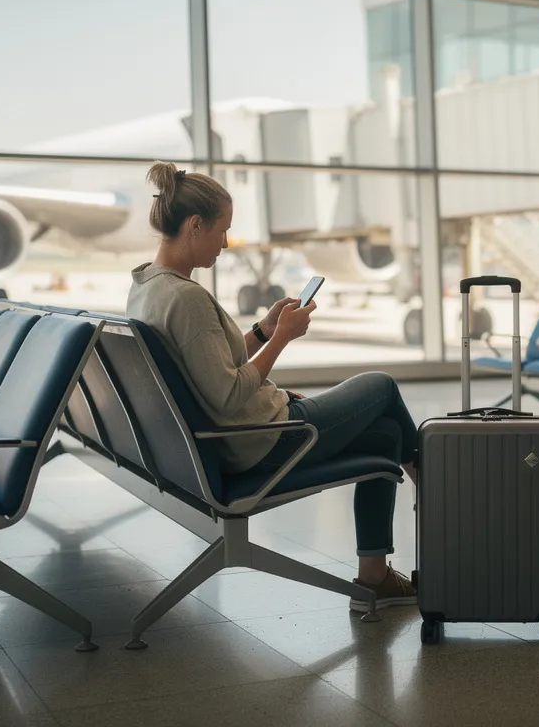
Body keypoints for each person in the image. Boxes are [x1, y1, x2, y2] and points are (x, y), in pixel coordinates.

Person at [126, 162, 418, 612]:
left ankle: (375, 578)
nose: (225, 243)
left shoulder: (148, 287)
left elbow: (207, 369)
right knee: (380, 385)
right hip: (261, 440)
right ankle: (436, 487)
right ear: (195, 225)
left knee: (386, 438)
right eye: (222, 231)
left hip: (228, 437)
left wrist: (262, 331)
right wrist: (283, 338)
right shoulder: (186, 299)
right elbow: (227, 394)